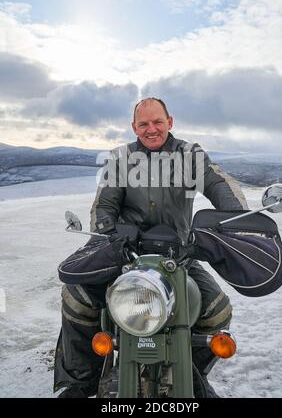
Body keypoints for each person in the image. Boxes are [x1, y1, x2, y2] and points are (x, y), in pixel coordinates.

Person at [54, 97, 248, 398]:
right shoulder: (120, 159)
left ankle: (190, 373)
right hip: (126, 252)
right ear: (134, 127)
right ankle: (81, 381)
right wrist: (111, 235)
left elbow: (219, 185)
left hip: (179, 256)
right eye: (143, 124)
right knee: (76, 297)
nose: (151, 129)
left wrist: (235, 220)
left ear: (169, 122)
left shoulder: (190, 155)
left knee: (217, 312)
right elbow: (104, 205)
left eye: (157, 122)